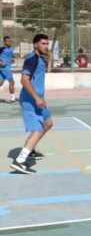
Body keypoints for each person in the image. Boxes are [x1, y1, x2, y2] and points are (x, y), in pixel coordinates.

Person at [10, 34, 51, 174]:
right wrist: (36, 98)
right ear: (35, 45)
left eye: (47, 43)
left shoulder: (38, 58)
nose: (46, 46)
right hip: (30, 100)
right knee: (38, 129)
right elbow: (24, 80)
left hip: (38, 99)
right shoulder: (32, 59)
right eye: (43, 43)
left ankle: (30, 149)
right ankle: (20, 161)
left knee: (48, 123)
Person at [0, 36, 16, 102]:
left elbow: (11, 57)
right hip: (5, 68)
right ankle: (13, 98)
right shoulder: (1, 49)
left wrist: (12, 60)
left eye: (10, 41)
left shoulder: (11, 49)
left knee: (0, 83)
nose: (9, 42)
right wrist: (0, 62)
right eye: (7, 41)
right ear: (4, 42)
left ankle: (13, 97)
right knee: (12, 82)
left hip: (6, 67)